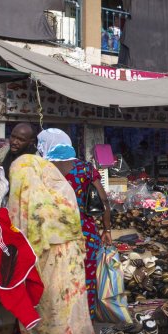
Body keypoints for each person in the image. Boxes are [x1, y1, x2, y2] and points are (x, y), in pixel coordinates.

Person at [7, 153, 95, 334]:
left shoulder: (27, 193)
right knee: (68, 308)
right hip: (68, 260)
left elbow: (20, 228)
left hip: (39, 258)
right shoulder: (62, 190)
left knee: (45, 307)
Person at [37, 129, 111, 317]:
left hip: (54, 237)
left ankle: (61, 326)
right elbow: (103, 200)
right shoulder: (85, 168)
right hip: (86, 235)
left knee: (58, 283)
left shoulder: (42, 170)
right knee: (86, 282)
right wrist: (107, 229)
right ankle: (86, 325)